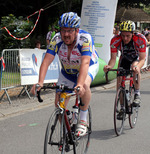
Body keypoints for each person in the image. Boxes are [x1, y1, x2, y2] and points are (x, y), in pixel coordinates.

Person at [32, 12, 99, 136]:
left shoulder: (85, 39)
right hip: (67, 72)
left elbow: (85, 63)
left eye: (69, 31)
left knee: (84, 85)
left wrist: (79, 84)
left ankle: (83, 120)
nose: (66, 34)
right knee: (58, 105)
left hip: (88, 66)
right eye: (63, 30)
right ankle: (68, 130)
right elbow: (46, 61)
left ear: (77, 30)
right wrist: (40, 82)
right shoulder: (56, 39)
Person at [104, 20, 146, 119]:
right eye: (123, 36)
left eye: (128, 36)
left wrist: (137, 67)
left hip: (135, 58)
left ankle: (137, 94)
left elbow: (142, 59)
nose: (125, 38)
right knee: (119, 83)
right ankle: (122, 108)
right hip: (124, 59)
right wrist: (109, 66)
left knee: (135, 68)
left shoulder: (140, 39)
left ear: (133, 33)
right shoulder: (115, 40)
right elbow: (113, 59)